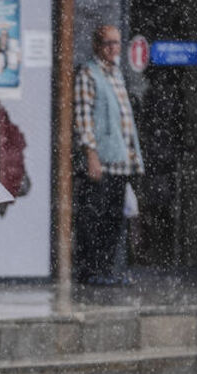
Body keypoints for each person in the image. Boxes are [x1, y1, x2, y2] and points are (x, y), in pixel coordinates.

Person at [72, 25, 145, 285]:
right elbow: (83, 117)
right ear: (96, 45)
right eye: (108, 43)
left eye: (116, 43)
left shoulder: (117, 74)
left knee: (114, 218)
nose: (113, 48)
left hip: (120, 161)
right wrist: (91, 154)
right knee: (94, 217)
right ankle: (90, 272)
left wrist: (133, 156)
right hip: (101, 160)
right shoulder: (88, 74)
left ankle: (106, 270)